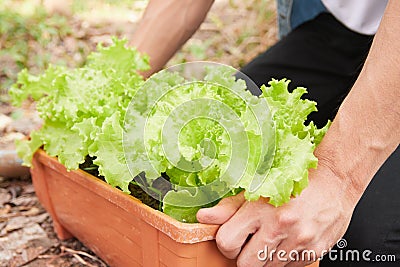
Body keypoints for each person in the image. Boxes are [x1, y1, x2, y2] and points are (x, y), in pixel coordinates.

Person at [130, 0, 400, 266]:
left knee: (362, 242)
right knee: (203, 147)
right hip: (348, 25)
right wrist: (125, 81)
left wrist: (339, 178)